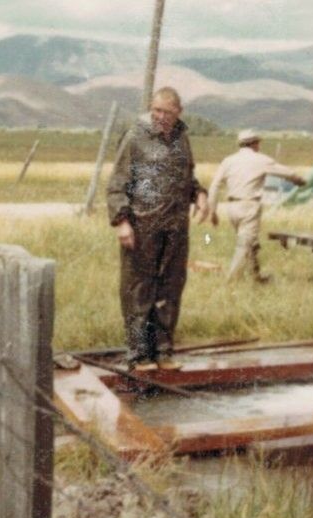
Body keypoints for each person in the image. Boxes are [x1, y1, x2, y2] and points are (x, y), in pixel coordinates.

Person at [107, 87, 207, 370]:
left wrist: (199, 194)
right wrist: (121, 221)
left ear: (179, 112)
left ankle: (163, 351)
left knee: (170, 288)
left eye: (167, 112)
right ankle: (139, 354)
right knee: (138, 289)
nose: (160, 116)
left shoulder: (181, 138)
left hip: (175, 227)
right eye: (156, 111)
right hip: (141, 226)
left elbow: (188, 177)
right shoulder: (135, 137)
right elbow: (117, 183)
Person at [200, 129, 306, 282]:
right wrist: (299, 181)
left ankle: (255, 276)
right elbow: (287, 173)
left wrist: (213, 211)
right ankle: (232, 280)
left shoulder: (228, 160)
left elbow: (215, 185)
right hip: (249, 206)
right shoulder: (261, 159)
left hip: (231, 208)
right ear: (255, 143)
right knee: (245, 244)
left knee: (250, 243)